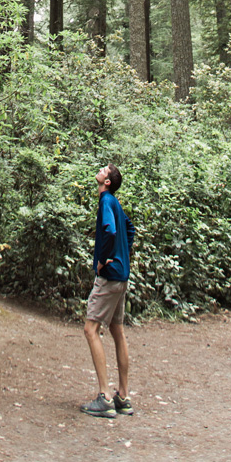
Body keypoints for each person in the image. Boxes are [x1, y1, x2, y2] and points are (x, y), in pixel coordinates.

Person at [80, 162, 135, 419]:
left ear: (107, 181)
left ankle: (104, 397)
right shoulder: (115, 202)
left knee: (91, 329)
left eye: (103, 169)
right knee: (117, 329)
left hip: (110, 277)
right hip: (121, 275)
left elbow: (111, 231)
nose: (100, 169)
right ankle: (122, 396)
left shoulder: (106, 201)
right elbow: (129, 229)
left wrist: (103, 259)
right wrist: (123, 255)